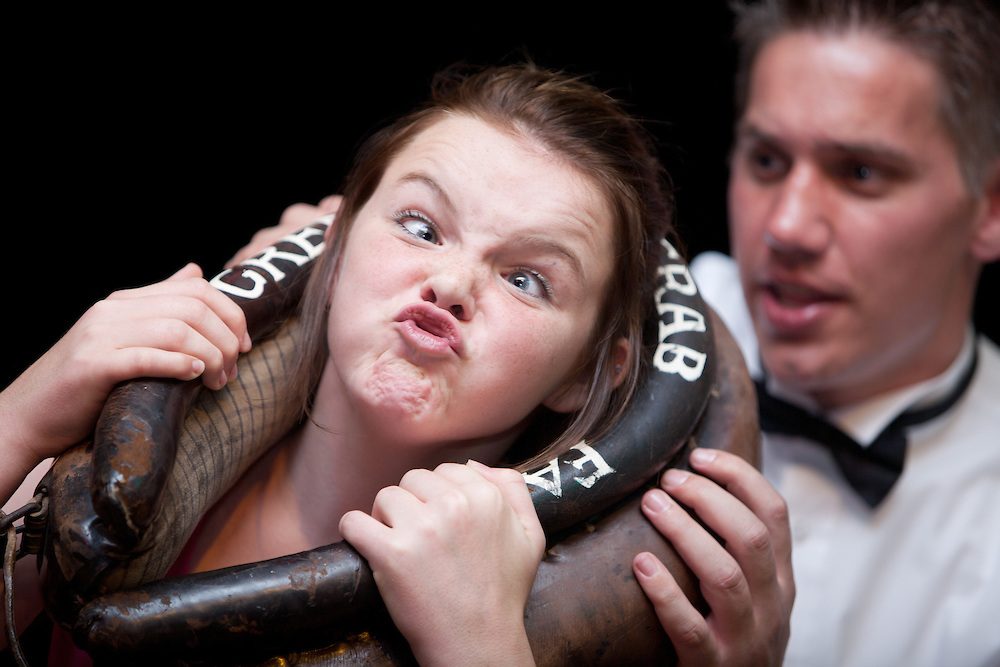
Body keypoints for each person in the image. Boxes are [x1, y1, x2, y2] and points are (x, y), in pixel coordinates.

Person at [1, 62, 791, 666]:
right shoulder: (125, 477)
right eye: (420, 225)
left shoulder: (549, 621)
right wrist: (24, 411)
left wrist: (481, 644)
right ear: (334, 249)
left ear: (587, 373)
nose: (451, 282)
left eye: (526, 279)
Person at [685, 1, 1000, 665]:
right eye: (767, 161)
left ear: (991, 207)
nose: (788, 227)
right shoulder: (630, 331)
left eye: (860, 172)